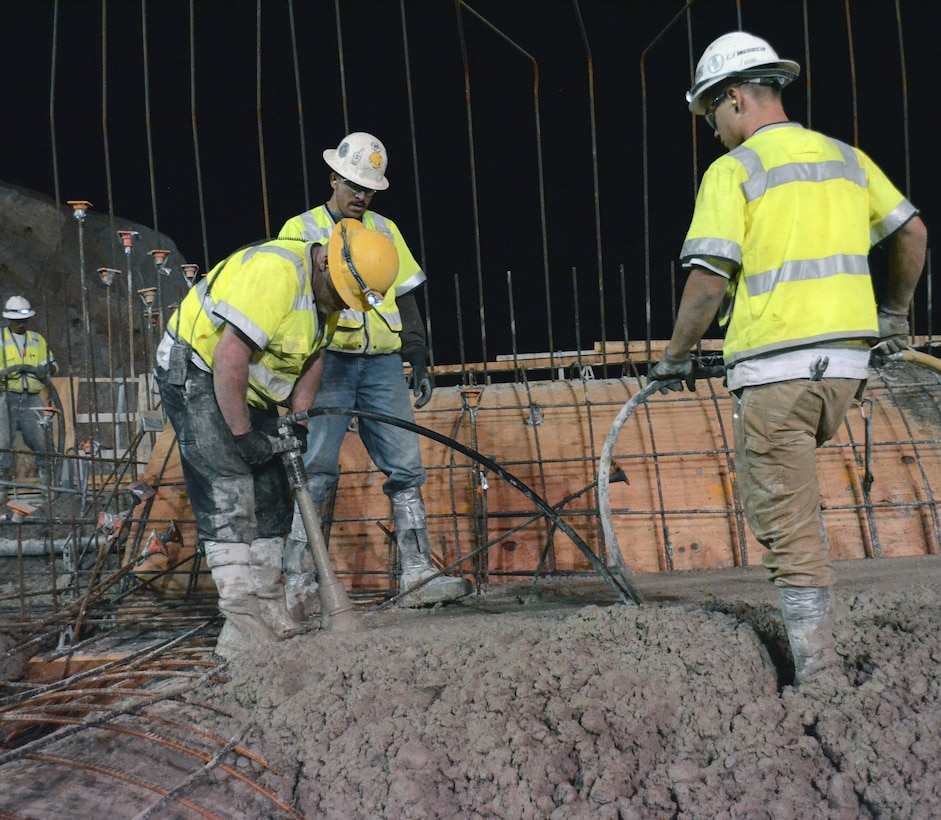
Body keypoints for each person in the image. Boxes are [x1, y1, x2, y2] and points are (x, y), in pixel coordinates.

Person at [648, 32, 928, 685]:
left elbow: (709, 277)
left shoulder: (735, 170)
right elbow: (911, 231)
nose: (713, 131)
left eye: (711, 115)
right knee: (793, 499)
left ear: (736, 98)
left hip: (777, 370)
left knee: (785, 520)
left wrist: (676, 355)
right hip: (844, 372)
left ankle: (820, 671)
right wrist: (892, 315)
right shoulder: (845, 157)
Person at [154, 222, 399, 658]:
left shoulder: (332, 289)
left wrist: (298, 423)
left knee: (273, 492)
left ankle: (269, 604)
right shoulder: (277, 274)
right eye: (342, 295)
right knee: (229, 486)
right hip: (198, 367)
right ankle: (241, 625)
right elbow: (229, 355)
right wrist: (242, 434)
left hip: (247, 385)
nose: (343, 305)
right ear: (324, 262)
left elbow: (314, 356)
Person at [279, 131, 471, 610]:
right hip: (329, 362)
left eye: (369, 188)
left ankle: (417, 573)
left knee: (406, 468)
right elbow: (290, 302)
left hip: (382, 364)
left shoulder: (385, 230)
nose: (360, 195)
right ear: (334, 179)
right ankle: (298, 581)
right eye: (352, 184)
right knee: (317, 469)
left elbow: (405, 296)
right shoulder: (300, 230)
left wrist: (420, 356)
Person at [0, 295, 58, 505]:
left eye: (25, 321)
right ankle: (1, 494)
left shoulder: (37, 339)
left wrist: (46, 369)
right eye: (18, 321)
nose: (22, 325)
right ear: (9, 320)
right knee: (2, 447)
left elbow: (52, 365)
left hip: (32, 398)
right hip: (5, 396)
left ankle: (49, 492)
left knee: (42, 444)